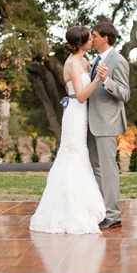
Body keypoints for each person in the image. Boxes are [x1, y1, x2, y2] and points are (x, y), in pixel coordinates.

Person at [30, 26, 106, 234]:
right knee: (71, 155)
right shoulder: (72, 63)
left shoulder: (83, 61)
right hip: (75, 112)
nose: (92, 41)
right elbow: (81, 96)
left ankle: (82, 203)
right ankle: (67, 209)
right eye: (90, 39)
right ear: (81, 43)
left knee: (80, 155)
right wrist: (98, 80)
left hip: (82, 113)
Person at [87, 22, 130, 230]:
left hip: (107, 122)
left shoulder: (118, 60)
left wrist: (107, 81)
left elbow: (125, 93)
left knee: (108, 168)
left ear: (105, 38)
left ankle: (114, 214)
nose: (91, 38)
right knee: (95, 167)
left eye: (94, 35)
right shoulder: (96, 59)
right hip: (91, 121)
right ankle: (102, 210)